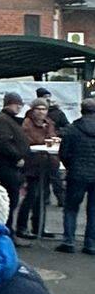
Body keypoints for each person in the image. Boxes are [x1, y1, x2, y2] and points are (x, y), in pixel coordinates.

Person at [16, 99, 59, 241]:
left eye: (44, 109)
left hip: (47, 164)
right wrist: (44, 141)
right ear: (33, 110)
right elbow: (27, 141)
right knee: (31, 196)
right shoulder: (27, 124)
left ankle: (39, 226)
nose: (41, 112)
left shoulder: (49, 123)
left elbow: (52, 137)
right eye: (38, 109)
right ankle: (21, 226)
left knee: (43, 197)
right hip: (32, 164)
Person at [57, 97, 95, 254]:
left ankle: (69, 241)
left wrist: (70, 166)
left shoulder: (72, 129)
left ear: (81, 110)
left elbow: (63, 153)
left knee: (71, 208)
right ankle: (90, 244)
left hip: (76, 174)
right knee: (93, 210)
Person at [0, 93, 29, 226]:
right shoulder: (4, 120)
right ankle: (7, 229)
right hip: (8, 164)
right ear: (9, 104)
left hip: (9, 164)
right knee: (10, 199)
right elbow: (2, 141)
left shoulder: (7, 119)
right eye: (16, 104)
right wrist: (16, 156)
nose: (19, 107)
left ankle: (8, 229)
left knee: (12, 199)